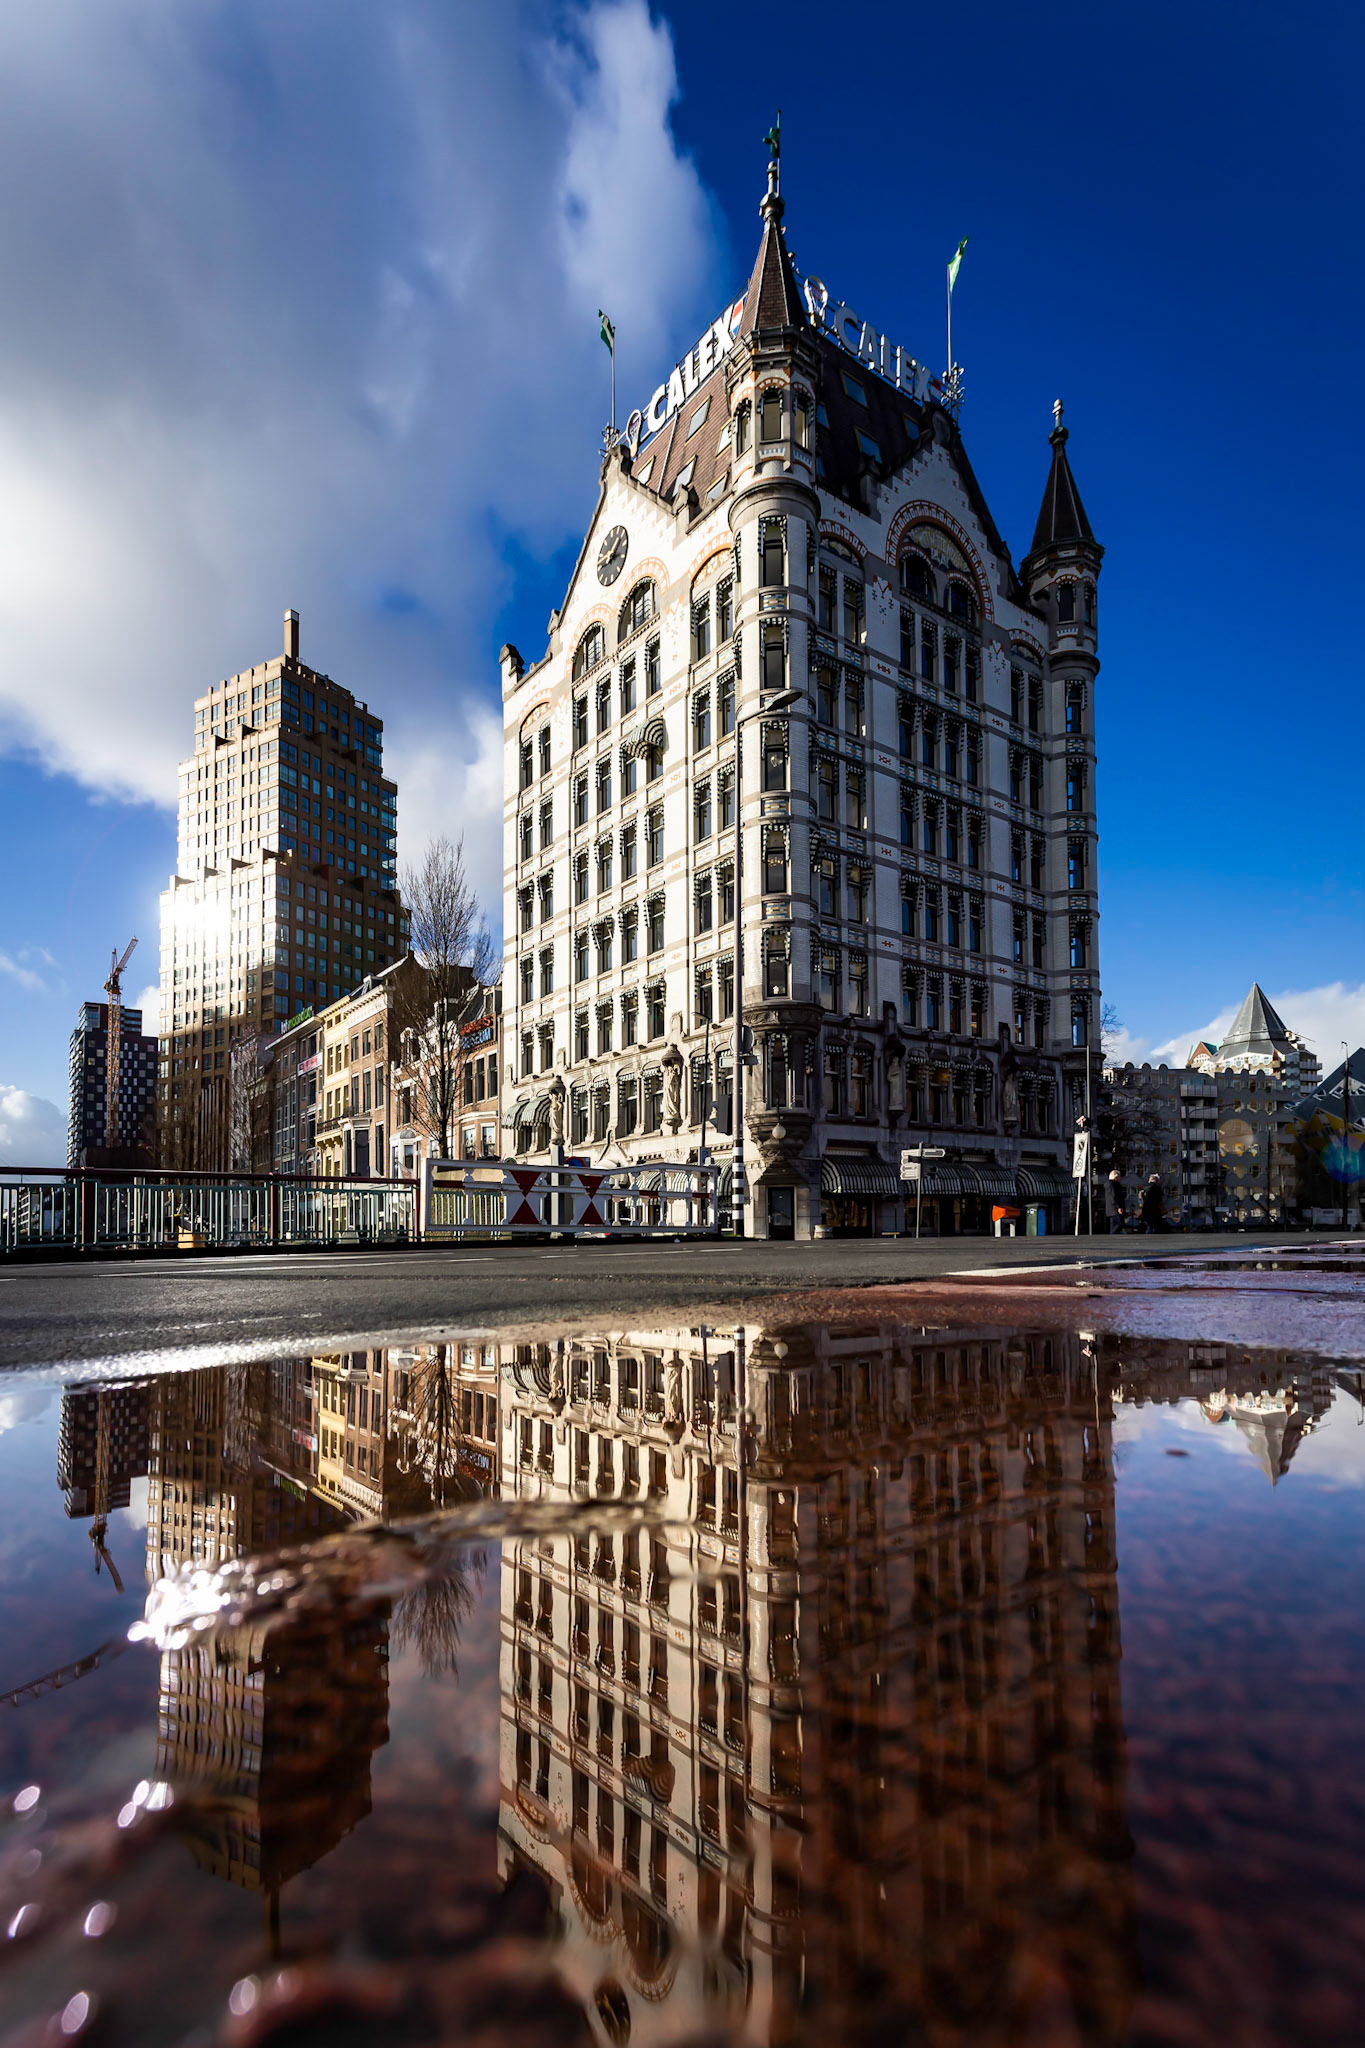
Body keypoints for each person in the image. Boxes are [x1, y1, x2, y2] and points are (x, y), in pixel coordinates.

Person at [1103, 1169, 1127, 1234]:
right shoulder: (1114, 1184)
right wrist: (1119, 1207)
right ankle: (1112, 1236)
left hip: (1111, 1210)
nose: (1120, 1179)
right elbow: (1114, 1196)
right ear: (1116, 1177)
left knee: (1114, 1225)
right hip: (1116, 1209)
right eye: (1119, 1177)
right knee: (1120, 1223)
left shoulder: (1108, 1185)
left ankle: (1112, 1239)